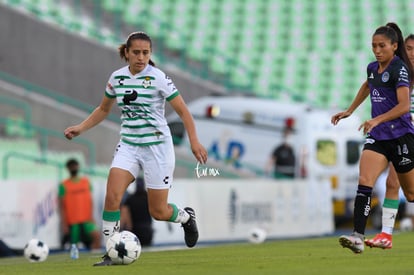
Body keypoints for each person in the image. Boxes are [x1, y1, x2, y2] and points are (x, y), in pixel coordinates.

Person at [64, 31, 208, 266]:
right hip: (129, 145)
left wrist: (194, 141)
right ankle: (111, 253)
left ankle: (185, 217)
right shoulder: (117, 78)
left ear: (150, 54)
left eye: (145, 53)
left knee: (158, 211)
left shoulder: (159, 78)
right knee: (112, 197)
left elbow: (183, 111)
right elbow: (103, 109)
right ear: (127, 53)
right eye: (136, 52)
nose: (141, 57)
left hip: (157, 148)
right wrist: (81, 128)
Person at [331, 22, 414, 254]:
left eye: (382, 46)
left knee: (410, 194)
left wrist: (378, 119)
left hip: (401, 137)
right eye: (374, 46)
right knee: (365, 180)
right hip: (378, 137)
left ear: (393, 46)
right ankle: (358, 237)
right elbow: (368, 85)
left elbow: (404, 106)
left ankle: (385, 233)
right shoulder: (372, 67)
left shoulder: (399, 69)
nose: (377, 50)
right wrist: (350, 110)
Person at [364, 34, 414, 249]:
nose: (411, 53)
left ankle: (386, 234)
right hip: (402, 134)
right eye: (408, 49)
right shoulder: (397, 73)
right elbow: (369, 85)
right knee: (396, 185)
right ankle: (386, 235)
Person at [59, 158, 101, 251]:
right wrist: (64, 223)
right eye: (71, 166)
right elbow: (62, 206)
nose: (73, 168)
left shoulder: (86, 182)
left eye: (75, 166)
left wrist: (92, 216)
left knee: (96, 236)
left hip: (87, 220)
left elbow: (90, 200)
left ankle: (94, 257)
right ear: (68, 168)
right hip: (73, 222)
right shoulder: (64, 185)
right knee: (74, 246)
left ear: (78, 167)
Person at [120, 176, 153, 246]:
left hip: (135, 231)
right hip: (147, 230)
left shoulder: (130, 199)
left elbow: (124, 215)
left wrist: (121, 229)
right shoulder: (149, 198)